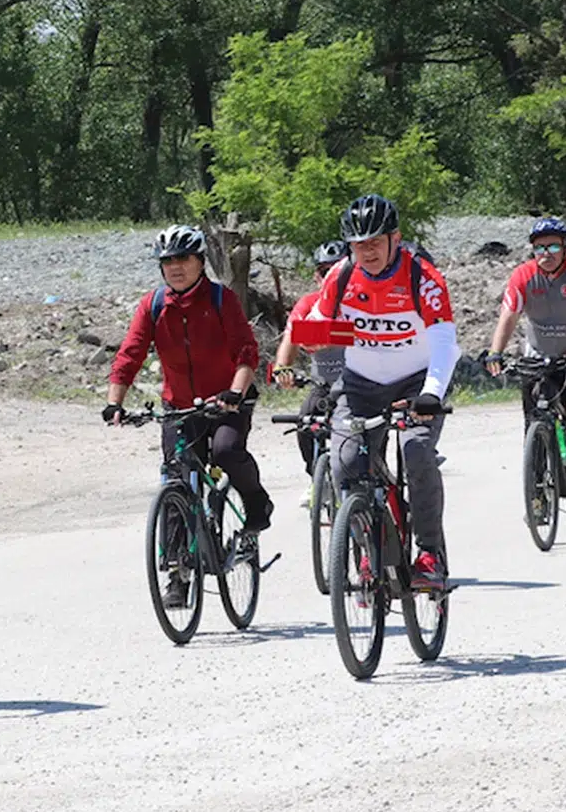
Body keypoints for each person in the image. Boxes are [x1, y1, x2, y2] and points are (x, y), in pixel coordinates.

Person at [104, 224, 273, 607]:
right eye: (168, 261)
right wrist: (115, 402)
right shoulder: (153, 305)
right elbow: (130, 353)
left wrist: (235, 391)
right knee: (176, 480)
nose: (175, 267)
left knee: (227, 451)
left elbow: (246, 351)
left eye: (183, 259)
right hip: (179, 407)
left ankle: (257, 503)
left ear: (200, 262)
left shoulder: (220, 298)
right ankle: (178, 575)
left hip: (227, 401)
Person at [310, 194, 460, 589]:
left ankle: (429, 554)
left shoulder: (422, 277)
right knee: (343, 462)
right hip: (360, 384)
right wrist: (310, 334)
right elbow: (317, 320)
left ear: (396, 237)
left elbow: (445, 342)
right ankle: (367, 551)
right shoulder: (341, 276)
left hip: (416, 382)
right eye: (359, 244)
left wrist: (431, 392)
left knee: (416, 452)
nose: (367, 251)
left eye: (375, 241)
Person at [483, 217, 566, 467]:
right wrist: (496, 352)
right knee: (534, 411)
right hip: (539, 355)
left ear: (565, 247)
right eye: (540, 247)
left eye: (553, 247)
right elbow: (509, 314)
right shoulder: (523, 275)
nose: (546, 253)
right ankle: (536, 479)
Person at [273, 240, 349, 506]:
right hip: (324, 383)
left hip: (361, 384)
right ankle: (317, 480)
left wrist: (322, 334)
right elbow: (293, 335)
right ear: (317, 276)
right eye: (323, 271)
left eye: (336, 269)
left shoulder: (361, 302)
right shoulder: (309, 303)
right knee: (306, 421)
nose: (329, 276)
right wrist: (283, 367)